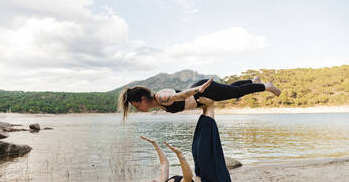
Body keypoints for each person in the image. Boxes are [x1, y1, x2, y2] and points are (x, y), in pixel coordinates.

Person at [135, 97, 232, 182]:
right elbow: (187, 178)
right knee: (204, 147)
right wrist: (180, 156)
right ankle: (210, 105)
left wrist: (155, 145)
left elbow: (164, 164)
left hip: (203, 176)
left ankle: (205, 108)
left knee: (196, 147)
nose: (153, 180)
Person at [119, 76, 281, 120]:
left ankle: (266, 86)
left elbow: (178, 96)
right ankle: (252, 82)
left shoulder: (161, 97)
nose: (137, 109)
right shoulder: (158, 103)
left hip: (202, 91)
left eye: (136, 105)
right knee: (232, 90)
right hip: (201, 93)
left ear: (143, 99)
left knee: (234, 93)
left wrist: (197, 89)